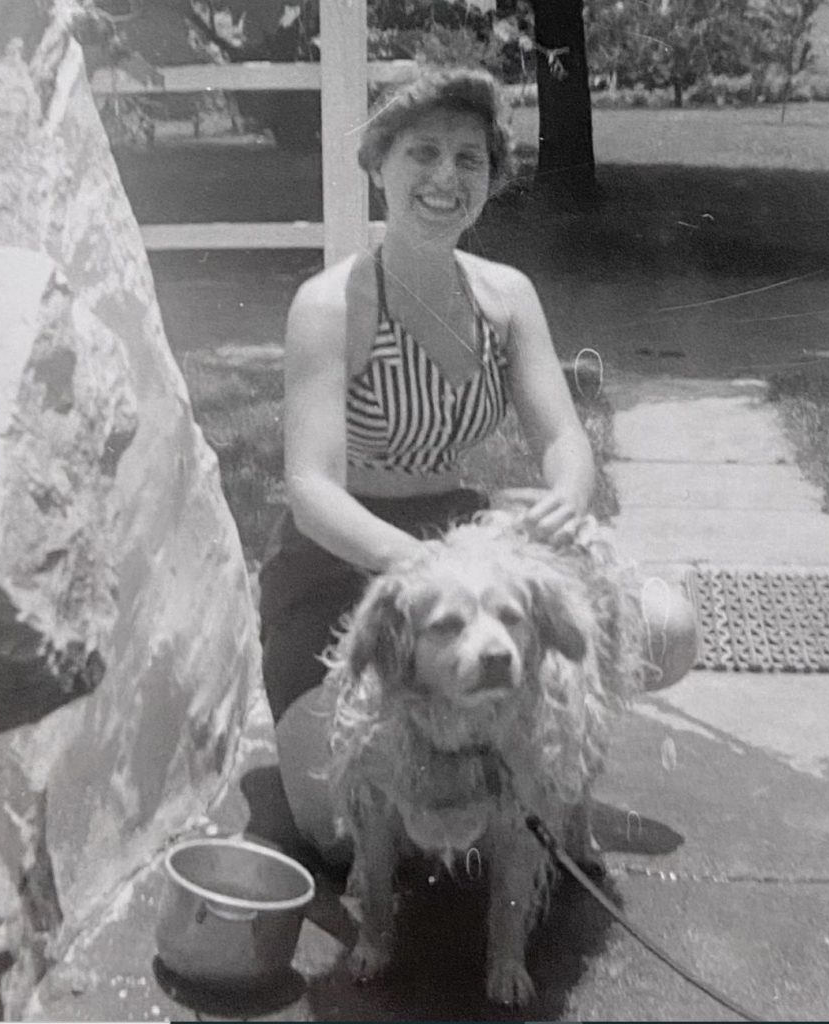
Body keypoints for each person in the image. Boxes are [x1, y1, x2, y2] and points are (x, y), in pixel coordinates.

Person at [258, 67, 696, 860]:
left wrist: (567, 493)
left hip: (460, 539)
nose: (444, 178)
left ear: (491, 178)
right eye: (421, 153)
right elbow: (310, 489)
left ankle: (528, 764)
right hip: (342, 561)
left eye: (469, 159)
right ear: (379, 164)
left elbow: (564, 441)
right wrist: (417, 567)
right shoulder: (330, 304)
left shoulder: (506, 295)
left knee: (666, 626)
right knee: (338, 830)